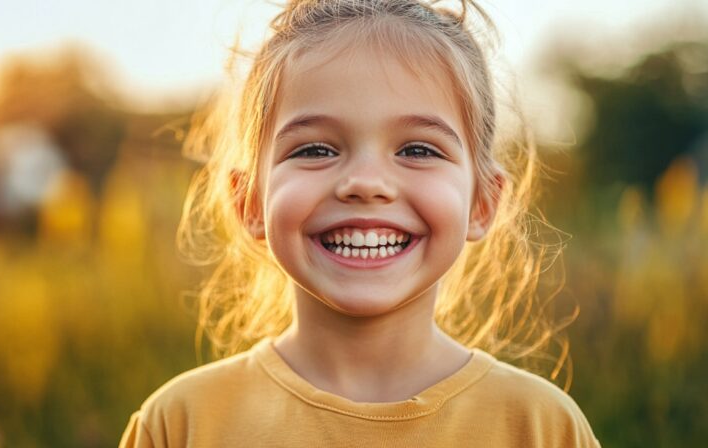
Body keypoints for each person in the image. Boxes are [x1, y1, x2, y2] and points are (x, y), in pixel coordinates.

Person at [120, 0, 601, 446]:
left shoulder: (539, 426)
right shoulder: (181, 423)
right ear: (249, 201)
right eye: (315, 149)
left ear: (482, 203)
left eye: (417, 150)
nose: (366, 183)